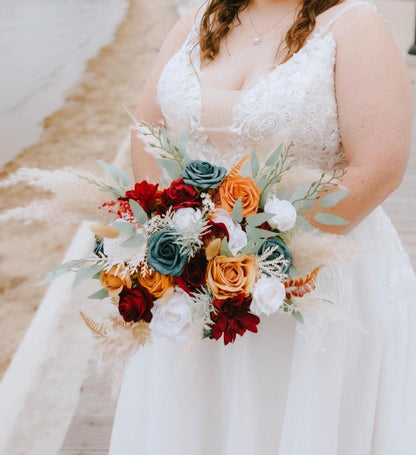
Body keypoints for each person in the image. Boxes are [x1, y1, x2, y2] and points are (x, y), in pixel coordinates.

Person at [109, 0, 416, 453]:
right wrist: (174, 238)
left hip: (314, 281)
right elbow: (147, 134)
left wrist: (266, 257)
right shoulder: (199, 18)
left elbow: (380, 166)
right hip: (193, 285)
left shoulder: (355, 25)